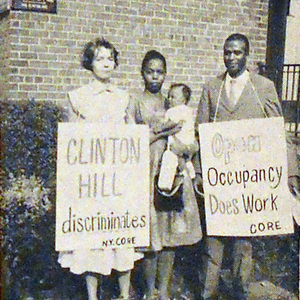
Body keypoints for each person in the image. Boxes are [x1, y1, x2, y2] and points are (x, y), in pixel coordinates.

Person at [196, 33, 299, 300]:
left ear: (247, 55)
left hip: (249, 179)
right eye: (227, 52)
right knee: (214, 242)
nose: (231, 57)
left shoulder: (263, 87)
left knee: (243, 242)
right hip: (219, 178)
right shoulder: (212, 88)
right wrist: (198, 171)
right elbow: (200, 133)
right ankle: (208, 293)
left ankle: (240, 292)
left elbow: (279, 132)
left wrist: (291, 171)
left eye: (237, 52)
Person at [58, 38, 143, 300]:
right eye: (99, 59)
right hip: (91, 182)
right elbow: (73, 142)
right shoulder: (79, 97)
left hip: (117, 181)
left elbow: (132, 138)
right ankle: (92, 295)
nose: (106, 64)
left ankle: (123, 294)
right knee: (92, 237)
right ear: (89, 64)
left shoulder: (123, 98)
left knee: (121, 235)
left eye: (110, 59)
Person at [126, 50, 202, 300]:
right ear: (142, 74)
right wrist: (161, 133)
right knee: (151, 232)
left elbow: (189, 135)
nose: (155, 76)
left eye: (159, 72)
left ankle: (165, 290)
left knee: (170, 234)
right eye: (150, 71)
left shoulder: (174, 103)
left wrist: (186, 148)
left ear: (165, 74)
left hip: (172, 171)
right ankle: (149, 291)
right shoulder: (136, 102)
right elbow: (134, 138)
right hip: (148, 170)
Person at [165, 83, 199, 179]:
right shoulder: (188, 110)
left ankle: (184, 171)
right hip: (189, 139)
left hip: (180, 137)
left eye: (173, 97)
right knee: (186, 157)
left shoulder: (175, 110)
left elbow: (172, 123)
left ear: (183, 100)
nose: (169, 99)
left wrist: (161, 127)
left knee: (176, 153)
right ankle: (189, 167)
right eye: (169, 96)